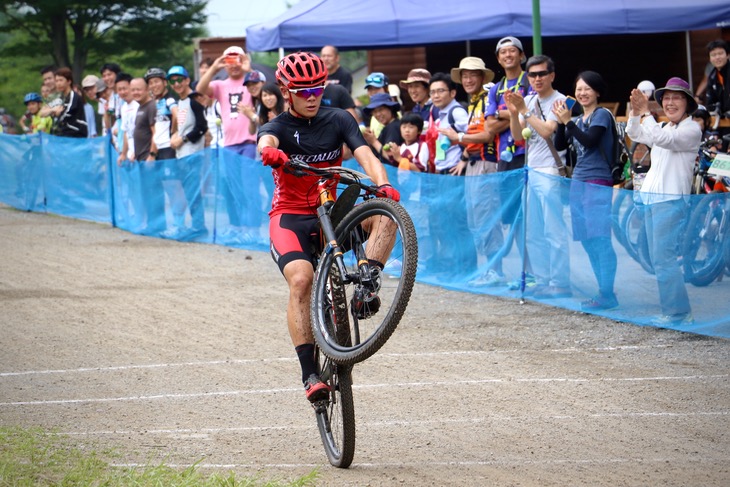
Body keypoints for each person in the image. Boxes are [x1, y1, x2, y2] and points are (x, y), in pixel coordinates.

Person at [256, 51, 399, 402]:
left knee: (388, 213)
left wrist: (382, 185)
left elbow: (366, 155)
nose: (311, 97)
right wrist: (269, 152)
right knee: (302, 280)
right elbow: (266, 141)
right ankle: (309, 375)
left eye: (317, 89)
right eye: (302, 91)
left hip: (330, 214)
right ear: (286, 91)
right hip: (290, 218)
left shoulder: (338, 119)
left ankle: (367, 283)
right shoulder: (277, 126)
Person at [627, 77, 702, 326]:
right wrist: (636, 112)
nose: (670, 102)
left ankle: (678, 313)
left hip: (670, 200)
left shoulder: (691, 129)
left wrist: (647, 112)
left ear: (687, 103)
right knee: (659, 257)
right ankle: (673, 311)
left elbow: (663, 141)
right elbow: (634, 132)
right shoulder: (665, 127)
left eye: (676, 97)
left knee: (664, 258)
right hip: (653, 198)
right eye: (666, 98)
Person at [506, 54, 572, 299]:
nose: (536, 79)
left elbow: (547, 132)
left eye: (541, 74)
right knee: (533, 230)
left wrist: (524, 109)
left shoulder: (561, 100)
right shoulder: (529, 99)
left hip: (551, 170)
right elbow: (516, 137)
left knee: (554, 228)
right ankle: (544, 279)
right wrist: (514, 112)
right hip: (531, 169)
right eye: (532, 75)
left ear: (551, 75)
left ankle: (560, 282)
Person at [553, 71, 618, 311]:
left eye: (587, 88)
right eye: (579, 88)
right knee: (588, 239)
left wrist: (568, 121)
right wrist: (562, 120)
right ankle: (603, 290)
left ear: (598, 92)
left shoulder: (601, 115)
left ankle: (607, 292)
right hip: (578, 182)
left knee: (600, 238)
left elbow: (590, 141)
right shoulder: (578, 120)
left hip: (598, 182)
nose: (582, 93)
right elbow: (560, 144)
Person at [441, 57, 505, 287]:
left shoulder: (490, 99)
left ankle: (495, 271)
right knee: (475, 218)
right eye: (465, 76)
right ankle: (489, 270)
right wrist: (465, 157)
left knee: (487, 216)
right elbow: (474, 136)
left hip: (487, 163)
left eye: (473, 75)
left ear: (482, 77)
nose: (468, 79)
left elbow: (487, 135)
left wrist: (458, 138)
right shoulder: (473, 103)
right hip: (473, 164)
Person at [196, 45, 261, 244]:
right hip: (229, 144)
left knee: (250, 187)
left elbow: (262, 89)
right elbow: (199, 89)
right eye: (229, 60)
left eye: (237, 59)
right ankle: (239, 227)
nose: (234, 65)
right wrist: (215, 67)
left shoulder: (251, 82)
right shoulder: (220, 85)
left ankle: (254, 229)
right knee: (234, 188)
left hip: (249, 141)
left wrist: (249, 69)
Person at [426, 72, 476, 280]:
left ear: (452, 92)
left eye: (440, 91)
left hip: (455, 174)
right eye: (433, 92)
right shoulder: (438, 113)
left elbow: (473, 136)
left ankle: (467, 269)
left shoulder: (456, 111)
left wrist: (464, 158)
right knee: (447, 222)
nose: (436, 95)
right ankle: (456, 267)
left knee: (459, 222)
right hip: (442, 174)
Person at [168, 65, 209, 241]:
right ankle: (196, 225)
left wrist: (183, 139)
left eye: (179, 79)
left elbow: (202, 126)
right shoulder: (181, 102)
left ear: (186, 80)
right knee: (188, 191)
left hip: (192, 154)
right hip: (182, 155)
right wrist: (175, 136)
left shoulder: (193, 101)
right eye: (173, 81)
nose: (176, 84)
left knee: (193, 191)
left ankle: (199, 226)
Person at [361, 92, 403, 165]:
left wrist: (374, 141)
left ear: (390, 109)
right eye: (374, 111)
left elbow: (390, 156)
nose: (378, 114)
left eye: (381, 109)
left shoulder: (393, 127)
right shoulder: (388, 126)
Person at [50, 67, 88, 138]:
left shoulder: (73, 96)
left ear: (69, 81)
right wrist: (52, 110)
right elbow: (45, 111)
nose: (58, 83)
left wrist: (58, 114)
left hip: (75, 136)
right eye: (56, 81)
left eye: (61, 80)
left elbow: (66, 113)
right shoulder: (60, 98)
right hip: (63, 136)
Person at [705, 39, 729, 118]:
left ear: (728, 55)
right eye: (713, 55)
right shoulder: (712, 76)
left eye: (720, 53)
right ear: (710, 58)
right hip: (722, 122)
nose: (717, 57)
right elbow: (710, 102)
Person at [240, 70, 266, 135]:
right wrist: (251, 118)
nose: (251, 87)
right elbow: (252, 132)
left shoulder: (270, 98)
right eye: (248, 85)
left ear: (263, 83)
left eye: (254, 83)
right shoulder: (257, 102)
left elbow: (270, 123)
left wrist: (252, 115)